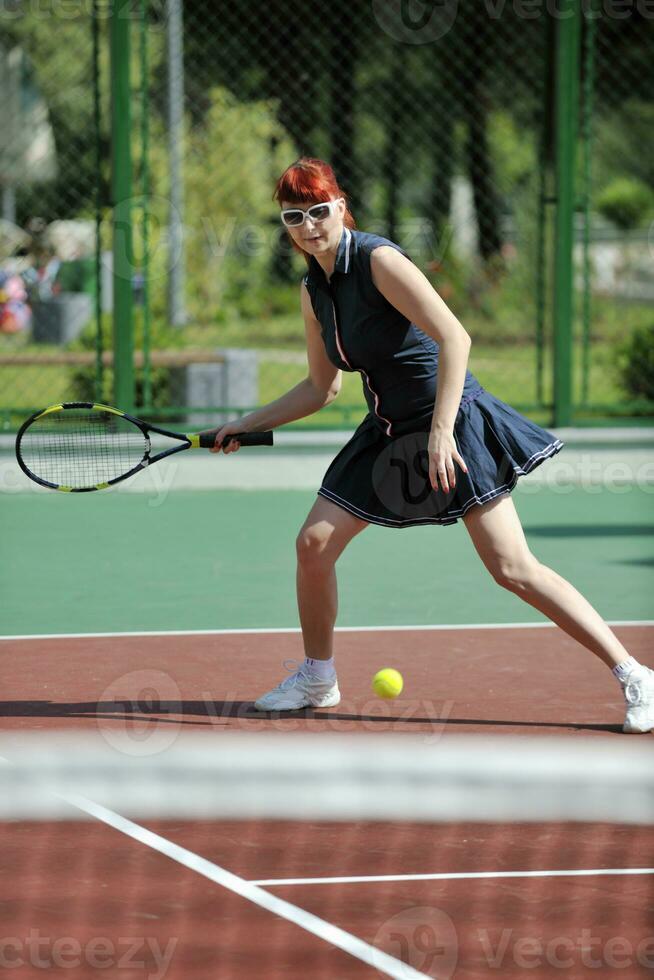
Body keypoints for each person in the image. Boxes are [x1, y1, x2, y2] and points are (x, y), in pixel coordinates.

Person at [210, 157, 653, 734]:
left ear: (341, 207)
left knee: (513, 568)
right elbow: (323, 387)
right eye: (296, 216)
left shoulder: (378, 259)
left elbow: (455, 337)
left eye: (320, 210)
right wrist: (247, 421)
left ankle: (635, 674)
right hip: (388, 428)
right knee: (313, 546)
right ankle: (318, 677)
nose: (310, 224)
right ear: (286, 224)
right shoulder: (312, 288)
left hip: (452, 418)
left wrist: (443, 431)